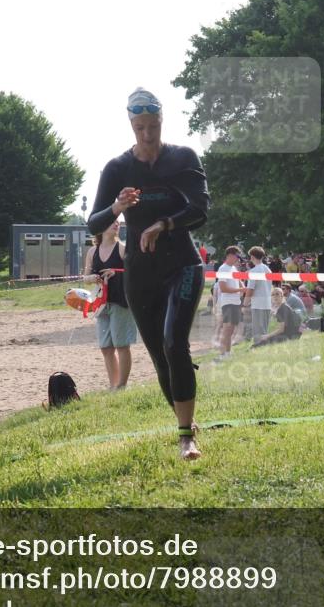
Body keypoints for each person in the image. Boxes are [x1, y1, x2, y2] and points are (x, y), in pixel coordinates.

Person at [88, 88, 209, 460]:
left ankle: (187, 437)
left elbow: (201, 209)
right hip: (140, 275)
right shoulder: (118, 168)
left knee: (176, 343)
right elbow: (93, 223)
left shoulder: (182, 158)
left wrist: (164, 224)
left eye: (152, 125)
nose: (146, 133)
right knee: (160, 356)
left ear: (161, 121)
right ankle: (184, 419)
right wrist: (118, 206)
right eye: (139, 126)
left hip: (183, 265)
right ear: (130, 125)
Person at [83, 220, 136, 390]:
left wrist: (117, 272)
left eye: (117, 222)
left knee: (121, 345)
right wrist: (91, 278)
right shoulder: (92, 251)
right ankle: (113, 385)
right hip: (101, 304)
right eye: (111, 221)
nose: (116, 224)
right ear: (101, 228)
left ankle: (122, 385)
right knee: (106, 347)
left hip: (121, 302)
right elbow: (85, 277)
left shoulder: (122, 248)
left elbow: (135, 271)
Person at [216, 246, 245, 359]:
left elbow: (239, 280)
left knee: (231, 329)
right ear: (230, 255)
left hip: (235, 302)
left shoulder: (233, 268)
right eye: (237, 257)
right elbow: (223, 288)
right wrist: (240, 290)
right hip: (228, 302)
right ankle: (223, 354)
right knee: (227, 329)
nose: (238, 259)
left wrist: (243, 286)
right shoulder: (223, 268)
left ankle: (228, 352)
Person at [245, 246, 273, 344]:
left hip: (258, 303)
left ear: (252, 257)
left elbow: (250, 289)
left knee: (258, 329)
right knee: (264, 328)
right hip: (267, 302)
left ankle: (258, 346)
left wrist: (245, 302)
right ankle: (263, 346)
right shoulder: (267, 269)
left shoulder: (254, 271)